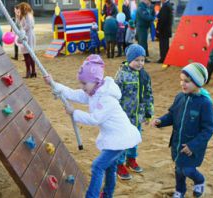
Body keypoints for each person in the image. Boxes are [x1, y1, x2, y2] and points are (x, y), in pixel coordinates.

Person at [44, 55, 141, 198]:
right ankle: (107, 194)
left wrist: (74, 112)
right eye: (81, 83)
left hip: (120, 139)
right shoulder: (93, 92)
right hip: (113, 138)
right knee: (109, 167)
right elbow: (72, 93)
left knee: (98, 166)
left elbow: (95, 119)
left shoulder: (106, 98)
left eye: (84, 84)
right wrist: (53, 83)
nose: (82, 87)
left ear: (96, 81)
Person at [151, 63, 213, 198]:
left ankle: (199, 180)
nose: (182, 84)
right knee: (179, 169)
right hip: (177, 143)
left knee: (187, 169)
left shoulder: (205, 103)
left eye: (187, 81)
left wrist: (193, 145)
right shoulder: (180, 97)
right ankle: (180, 190)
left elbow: (208, 129)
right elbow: (172, 115)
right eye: (181, 80)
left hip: (192, 146)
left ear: (197, 82)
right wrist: (161, 121)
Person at [114, 44, 154, 180]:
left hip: (138, 116)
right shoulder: (122, 75)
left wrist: (149, 113)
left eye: (142, 60)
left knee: (134, 139)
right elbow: (115, 96)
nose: (140, 63)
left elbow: (148, 94)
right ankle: (119, 164)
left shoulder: (144, 75)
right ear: (129, 59)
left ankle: (131, 159)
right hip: (124, 117)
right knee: (123, 141)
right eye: (136, 60)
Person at [15, 2, 36, 78]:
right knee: (26, 54)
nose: (19, 10)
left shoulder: (28, 15)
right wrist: (17, 16)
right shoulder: (22, 16)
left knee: (29, 54)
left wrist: (21, 31)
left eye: (20, 8)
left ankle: (31, 71)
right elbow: (17, 24)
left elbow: (28, 26)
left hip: (28, 36)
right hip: (24, 35)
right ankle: (31, 71)